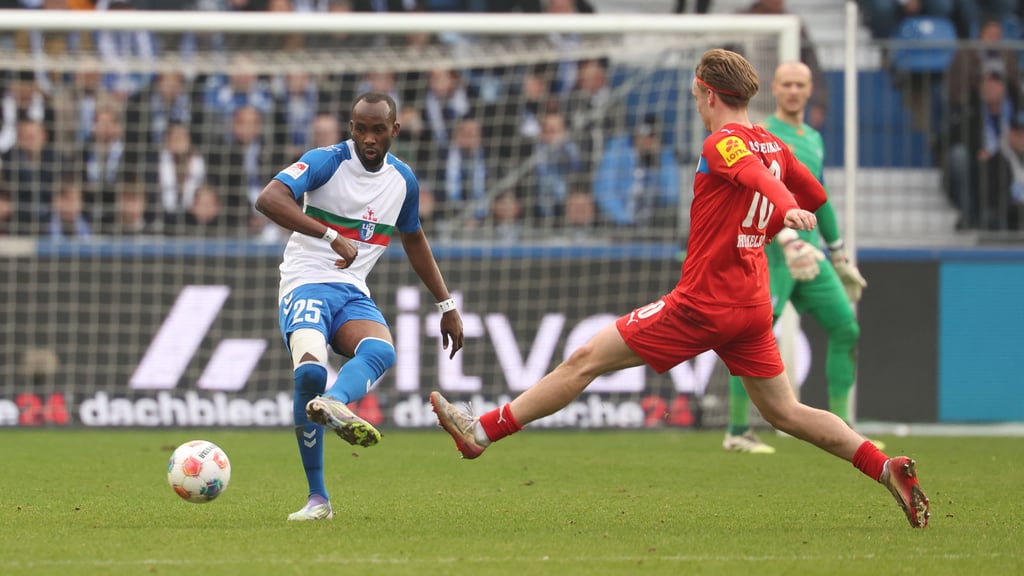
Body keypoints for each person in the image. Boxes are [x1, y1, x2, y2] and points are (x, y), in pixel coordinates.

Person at [430, 49, 930, 529]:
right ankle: (883, 466)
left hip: (702, 304)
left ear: (709, 94)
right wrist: (806, 220)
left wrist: (784, 206)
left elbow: (756, 177)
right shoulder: (778, 145)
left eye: (696, 95)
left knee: (583, 360)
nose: (696, 104)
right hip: (751, 304)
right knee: (786, 412)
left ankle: (481, 432)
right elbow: (817, 193)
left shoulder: (723, 142)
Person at [254, 91, 465, 522]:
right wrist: (330, 236)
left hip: (351, 290)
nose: (368, 138)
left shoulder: (403, 181)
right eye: (361, 129)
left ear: (395, 130)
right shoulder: (326, 160)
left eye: (378, 129)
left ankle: (333, 403)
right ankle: (318, 499)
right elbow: (268, 199)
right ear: (351, 128)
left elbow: (415, 238)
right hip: (306, 283)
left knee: (382, 350)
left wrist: (446, 303)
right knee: (309, 371)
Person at [722, 61, 868, 454]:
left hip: (812, 255)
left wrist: (837, 253)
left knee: (845, 328)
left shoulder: (814, 138)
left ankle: (845, 429)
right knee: (751, 339)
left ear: (809, 90)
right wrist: (786, 238)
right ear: (774, 87)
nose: (792, 90)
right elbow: (757, 193)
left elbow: (818, 197)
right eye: (785, 83)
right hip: (772, 251)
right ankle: (738, 430)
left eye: (799, 84)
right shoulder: (763, 134)